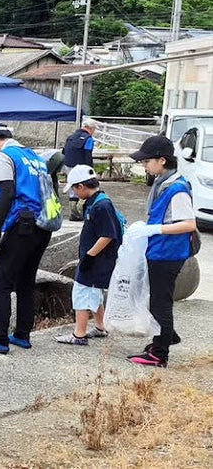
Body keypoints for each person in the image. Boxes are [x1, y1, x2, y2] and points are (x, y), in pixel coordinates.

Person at [0, 122, 55, 354]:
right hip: (43, 225)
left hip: (22, 225)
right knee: (26, 282)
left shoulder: (4, 156)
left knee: (0, 281)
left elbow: (6, 195)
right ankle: (22, 335)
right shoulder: (34, 157)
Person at [124, 136, 197, 367]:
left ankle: (159, 353)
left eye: (147, 161)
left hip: (167, 254)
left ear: (162, 160)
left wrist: (155, 229)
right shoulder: (164, 182)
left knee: (160, 303)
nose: (144, 165)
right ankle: (166, 335)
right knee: (159, 299)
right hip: (161, 250)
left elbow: (189, 224)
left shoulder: (176, 189)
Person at [55, 164, 119, 346]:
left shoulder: (101, 206)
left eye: (74, 189)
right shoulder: (98, 201)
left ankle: (79, 334)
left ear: (81, 187)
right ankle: (100, 326)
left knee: (82, 291)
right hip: (98, 258)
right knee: (95, 291)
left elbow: (107, 235)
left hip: (97, 259)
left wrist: (89, 257)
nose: (74, 193)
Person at [63, 120, 97, 221]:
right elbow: (88, 154)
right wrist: (90, 170)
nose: (94, 132)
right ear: (90, 128)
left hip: (68, 165)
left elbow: (64, 151)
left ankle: (72, 212)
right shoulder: (88, 139)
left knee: (73, 187)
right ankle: (80, 211)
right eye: (94, 129)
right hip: (81, 166)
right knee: (85, 187)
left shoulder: (71, 137)